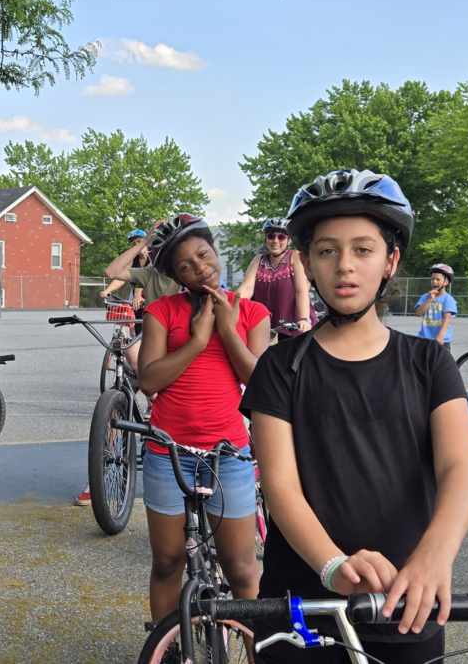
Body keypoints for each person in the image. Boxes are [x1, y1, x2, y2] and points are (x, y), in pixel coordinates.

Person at [240, 169, 468, 664]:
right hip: (302, 607)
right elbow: (280, 487)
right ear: (305, 262)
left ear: (391, 260)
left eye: (363, 249)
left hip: (406, 601)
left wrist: (434, 556)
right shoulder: (280, 366)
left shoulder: (429, 363)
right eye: (327, 250)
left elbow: (459, 469)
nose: (344, 265)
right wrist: (333, 566)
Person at [137, 213, 268, 645]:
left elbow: (259, 381)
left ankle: (256, 650)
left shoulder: (253, 312)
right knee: (168, 561)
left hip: (228, 453)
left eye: (203, 255)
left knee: (242, 567)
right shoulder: (162, 311)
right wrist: (196, 340)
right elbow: (150, 380)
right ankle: (169, 648)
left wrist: (227, 329)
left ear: (216, 251)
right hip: (167, 452)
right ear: (175, 276)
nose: (199, 268)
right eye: (185, 266)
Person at [76, 222, 184, 507]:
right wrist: (142, 241)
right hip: (154, 347)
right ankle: (101, 470)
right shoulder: (148, 273)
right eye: (155, 247)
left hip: (179, 352)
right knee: (115, 402)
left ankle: (160, 412)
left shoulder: (184, 276)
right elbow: (112, 273)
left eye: (162, 246)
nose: (158, 252)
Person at [236, 217, 315, 340]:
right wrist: (231, 305)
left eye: (281, 237)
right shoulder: (258, 260)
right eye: (271, 236)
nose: (275, 241)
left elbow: (301, 290)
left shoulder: (295, 257)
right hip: (265, 329)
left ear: (288, 240)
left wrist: (304, 319)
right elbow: (247, 288)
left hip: (293, 327)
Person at [99, 229, 150, 311]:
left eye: (139, 241)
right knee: (132, 318)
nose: (137, 244)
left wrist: (138, 295)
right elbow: (121, 278)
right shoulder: (132, 260)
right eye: (133, 243)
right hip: (136, 297)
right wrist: (108, 290)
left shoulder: (152, 257)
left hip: (152, 294)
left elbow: (141, 277)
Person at [414, 263, 457, 351]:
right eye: (432, 279)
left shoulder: (448, 299)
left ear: (446, 282)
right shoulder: (425, 297)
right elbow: (418, 313)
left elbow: (447, 319)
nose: (434, 282)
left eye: (438, 279)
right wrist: (430, 299)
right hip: (424, 338)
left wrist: (441, 336)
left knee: (441, 364)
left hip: (442, 340)